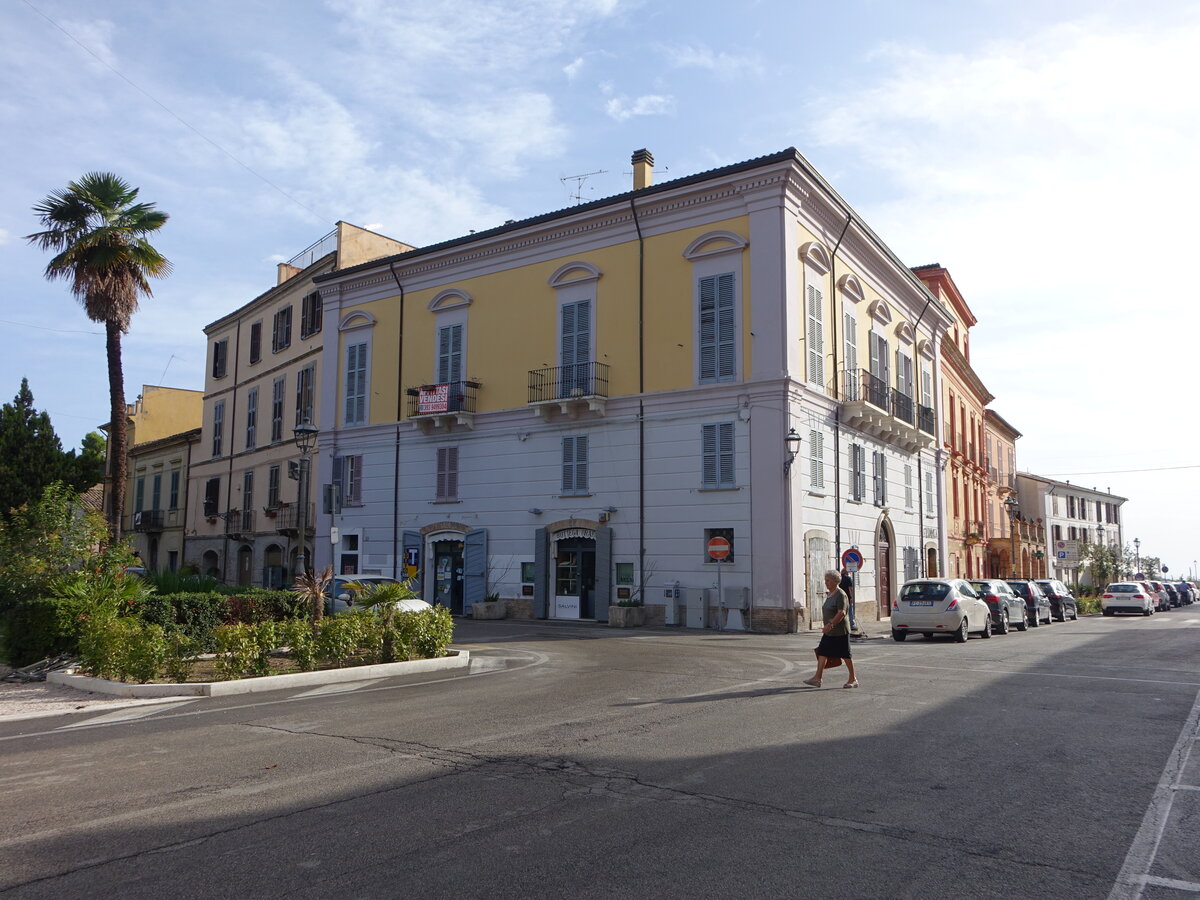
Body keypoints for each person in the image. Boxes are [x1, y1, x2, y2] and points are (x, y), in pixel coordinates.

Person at [804, 569, 858, 689]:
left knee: (845, 655)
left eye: (828, 580)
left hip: (840, 631)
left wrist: (830, 625)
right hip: (830, 632)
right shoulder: (830, 594)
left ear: (834, 581)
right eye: (825, 580)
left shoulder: (841, 594)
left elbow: (842, 613)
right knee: (822, 652)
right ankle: (817, 678)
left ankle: (853, 679)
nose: (825, 582)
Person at [841, 567, 863, 638]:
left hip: (840, 597)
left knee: (841, 611)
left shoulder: (838, 578)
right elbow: (850, 588)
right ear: (846, 572)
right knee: (850, 611)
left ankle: (841, 624)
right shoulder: (848, 578)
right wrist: (851, 597)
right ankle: (852, 624)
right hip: (847, 597)